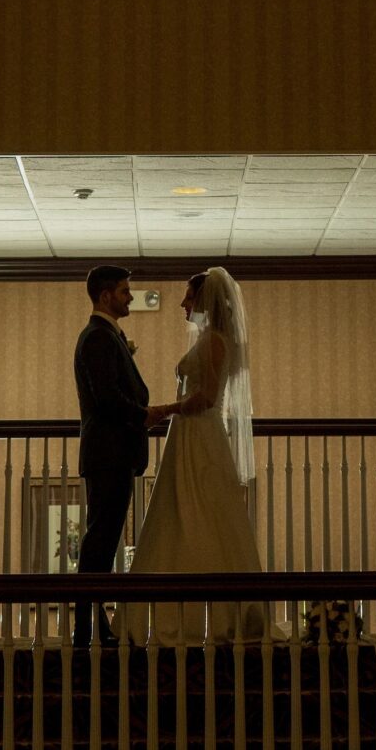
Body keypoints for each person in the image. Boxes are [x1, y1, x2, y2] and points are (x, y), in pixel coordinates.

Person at [125, 267, 263, 641]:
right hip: (188, 434)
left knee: (201, 511)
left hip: (200, 433)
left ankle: (205, 617)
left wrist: (163, 410)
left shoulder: (215, 341)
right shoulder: (208, 339)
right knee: (179, 510)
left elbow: (207, 397)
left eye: (189, 296)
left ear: (204, 299)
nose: (183, 303)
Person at [72, 263, 152, 647]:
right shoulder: (97, 338)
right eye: (124, 291)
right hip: (109, 453)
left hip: (113, 454)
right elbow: (107, 399)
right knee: (99, 541)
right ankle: (85, 626)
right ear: (105, 296)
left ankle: (95, 622)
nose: (130, 297)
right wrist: (147, 414)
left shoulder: (105, 336)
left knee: (103, 542)